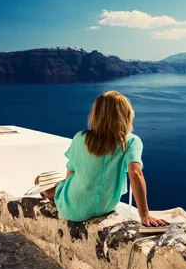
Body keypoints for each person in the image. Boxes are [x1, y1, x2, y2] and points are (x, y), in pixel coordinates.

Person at [37, 91, 168, 227]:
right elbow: (135, 174)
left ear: (96, 115)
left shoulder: (80, 137)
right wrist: (145, 214)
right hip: (106, 207)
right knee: (63, 184)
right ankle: (52, 189)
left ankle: (48, 191)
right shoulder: (131, 141)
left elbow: (71, 171)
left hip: (74, 210)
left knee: (62, 185)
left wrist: (66, 190)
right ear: (125, 115)